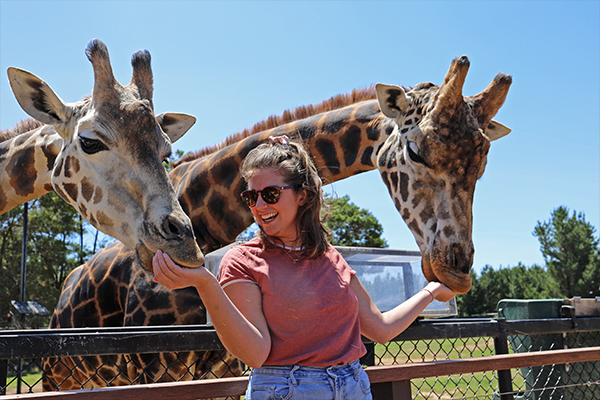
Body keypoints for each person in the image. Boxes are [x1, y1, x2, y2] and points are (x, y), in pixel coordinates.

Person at [152, 135, 456, 400]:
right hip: (287, 390)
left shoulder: (331, 257)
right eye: (250, 197)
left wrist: (430, 291)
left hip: (354, 386)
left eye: (270, 194)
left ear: (302, 195)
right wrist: (206, 284)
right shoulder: (243, 260)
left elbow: (380, 328)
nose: (259, 205)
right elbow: (255, 353)